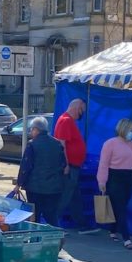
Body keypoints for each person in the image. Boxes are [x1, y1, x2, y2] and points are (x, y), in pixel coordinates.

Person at [96, 118, 132, 249]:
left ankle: (113, 230)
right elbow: (103, 164)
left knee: (120, 207)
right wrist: (102, 181)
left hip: (129, 179)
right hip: (115, 178)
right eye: (131, 130)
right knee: (121, 207)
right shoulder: (110, 144)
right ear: (124, 129)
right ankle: (126, 238)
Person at [14, 117, 67, 225]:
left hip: (35, 188)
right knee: (51, 216)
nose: (31, 132)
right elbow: (63, 164)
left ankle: (36, 234)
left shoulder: (32, 144)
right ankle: (54, 234)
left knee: (35, 217)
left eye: (32, 129)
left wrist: (19, 184)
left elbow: (26, 167)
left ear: (36, 129)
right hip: (54, 188)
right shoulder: (57, 143)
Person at [54, 98, 91, 230]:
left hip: (73, 165)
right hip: (70, 166)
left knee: (74, 196)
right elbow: (62, 144)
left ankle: (82, 224)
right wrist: (66, 164)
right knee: (65, 196)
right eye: (82, 110)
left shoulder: (68, 120)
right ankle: (53, 223)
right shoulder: (66, 121)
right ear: (77, 108)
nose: (82, 114)